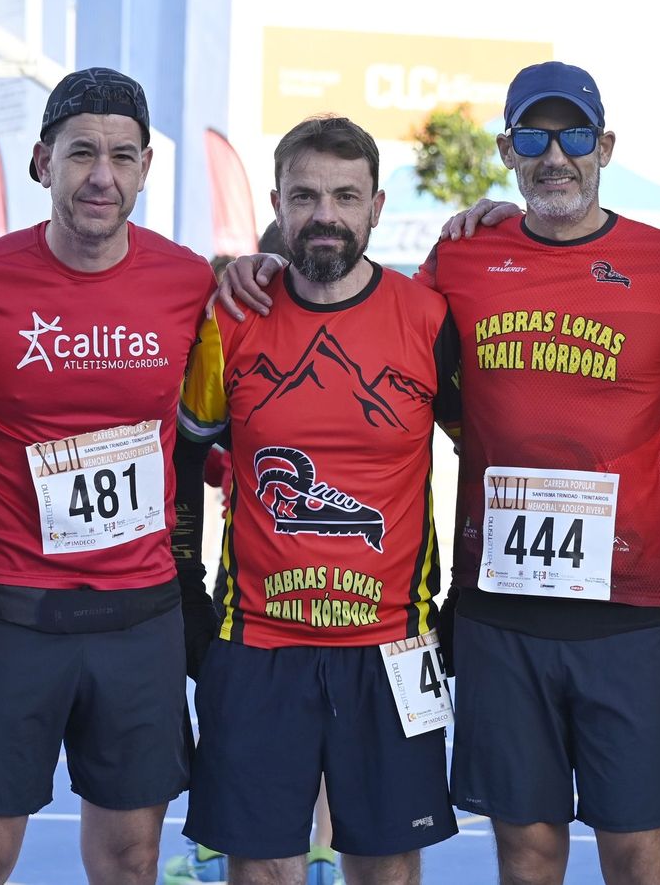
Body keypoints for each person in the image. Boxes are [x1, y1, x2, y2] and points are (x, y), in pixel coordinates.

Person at [221, 62, 660, 885]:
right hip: (500, 608)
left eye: (572, 135)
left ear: (605, 146)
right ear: (506, 150)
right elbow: (358, 313)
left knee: (638, 853)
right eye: (533, 136)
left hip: (627, 609)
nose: (553, 155)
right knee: (525, 853)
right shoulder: (462, 258)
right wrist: (263, 266)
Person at [0, 67, 216, 885]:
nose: (101, 176)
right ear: (41, 160)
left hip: (140, 618)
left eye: (122, 156)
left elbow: (214, 415)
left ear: (146, 167)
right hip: (16, 611)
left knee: (131, 858)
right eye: (81, 152)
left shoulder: (188, 281)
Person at [177, 116, 459, 885]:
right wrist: (184, 590)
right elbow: (184, 456)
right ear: (277, 200)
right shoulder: (228, 319)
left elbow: (490, 458)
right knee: (262, 869)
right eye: (304, 195)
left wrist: (462, 601)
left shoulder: (429, 319)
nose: (324, 213)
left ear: (376, 206)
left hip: (392, 649)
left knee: (387, 870)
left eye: (345, 195)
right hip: (259, 644)